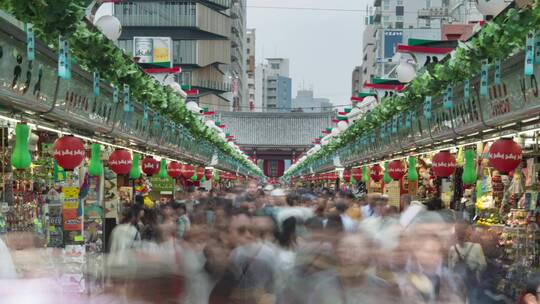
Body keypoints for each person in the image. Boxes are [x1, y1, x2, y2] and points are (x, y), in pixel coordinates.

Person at [448, 220, 487, 302]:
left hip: (457, 281)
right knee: (472, 299)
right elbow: (483, 265)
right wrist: (478, 274)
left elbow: (450, 267)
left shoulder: (453, 249)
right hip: (472, 280)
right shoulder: (477, 247)